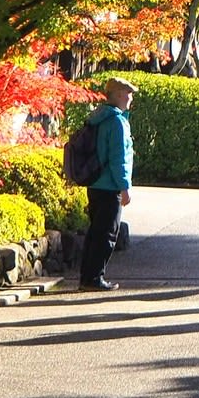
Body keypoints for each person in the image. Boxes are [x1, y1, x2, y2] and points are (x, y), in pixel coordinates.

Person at [80, 77, 136, 290]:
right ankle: (95, 278)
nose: (131, 98)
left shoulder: (99, 118)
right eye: (129, 94)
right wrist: (125, 186)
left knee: (95, 232)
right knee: (107, 234)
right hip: (110, 185)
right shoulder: (117, 122)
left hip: (95, 182)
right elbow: (118, 157)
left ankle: (87, 277)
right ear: (121, 94)